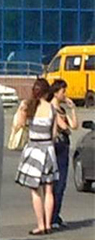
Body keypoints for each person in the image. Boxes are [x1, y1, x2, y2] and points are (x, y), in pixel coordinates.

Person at [15, 78, 59, 235]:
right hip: (48, 149)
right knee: (49, 190)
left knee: (35, 190)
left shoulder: (29, 107)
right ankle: (48, 224)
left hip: (34, 148)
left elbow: (18, 125)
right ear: (47, 93)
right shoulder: (52, 109)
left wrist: (21, 110)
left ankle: (40, 225)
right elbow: (54, 134)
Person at [49, 80, 78, 229]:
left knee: (62, 182)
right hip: (57, 147)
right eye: (63, 91)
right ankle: (52, 217)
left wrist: (72, 109)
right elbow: (65, 127)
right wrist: (66, 127)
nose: (65, 94)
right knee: (56, 183)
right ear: (56, 92)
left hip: (64, 146)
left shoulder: (61, 109)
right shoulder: (52, 108)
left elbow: (74, 126)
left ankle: (56, 214)